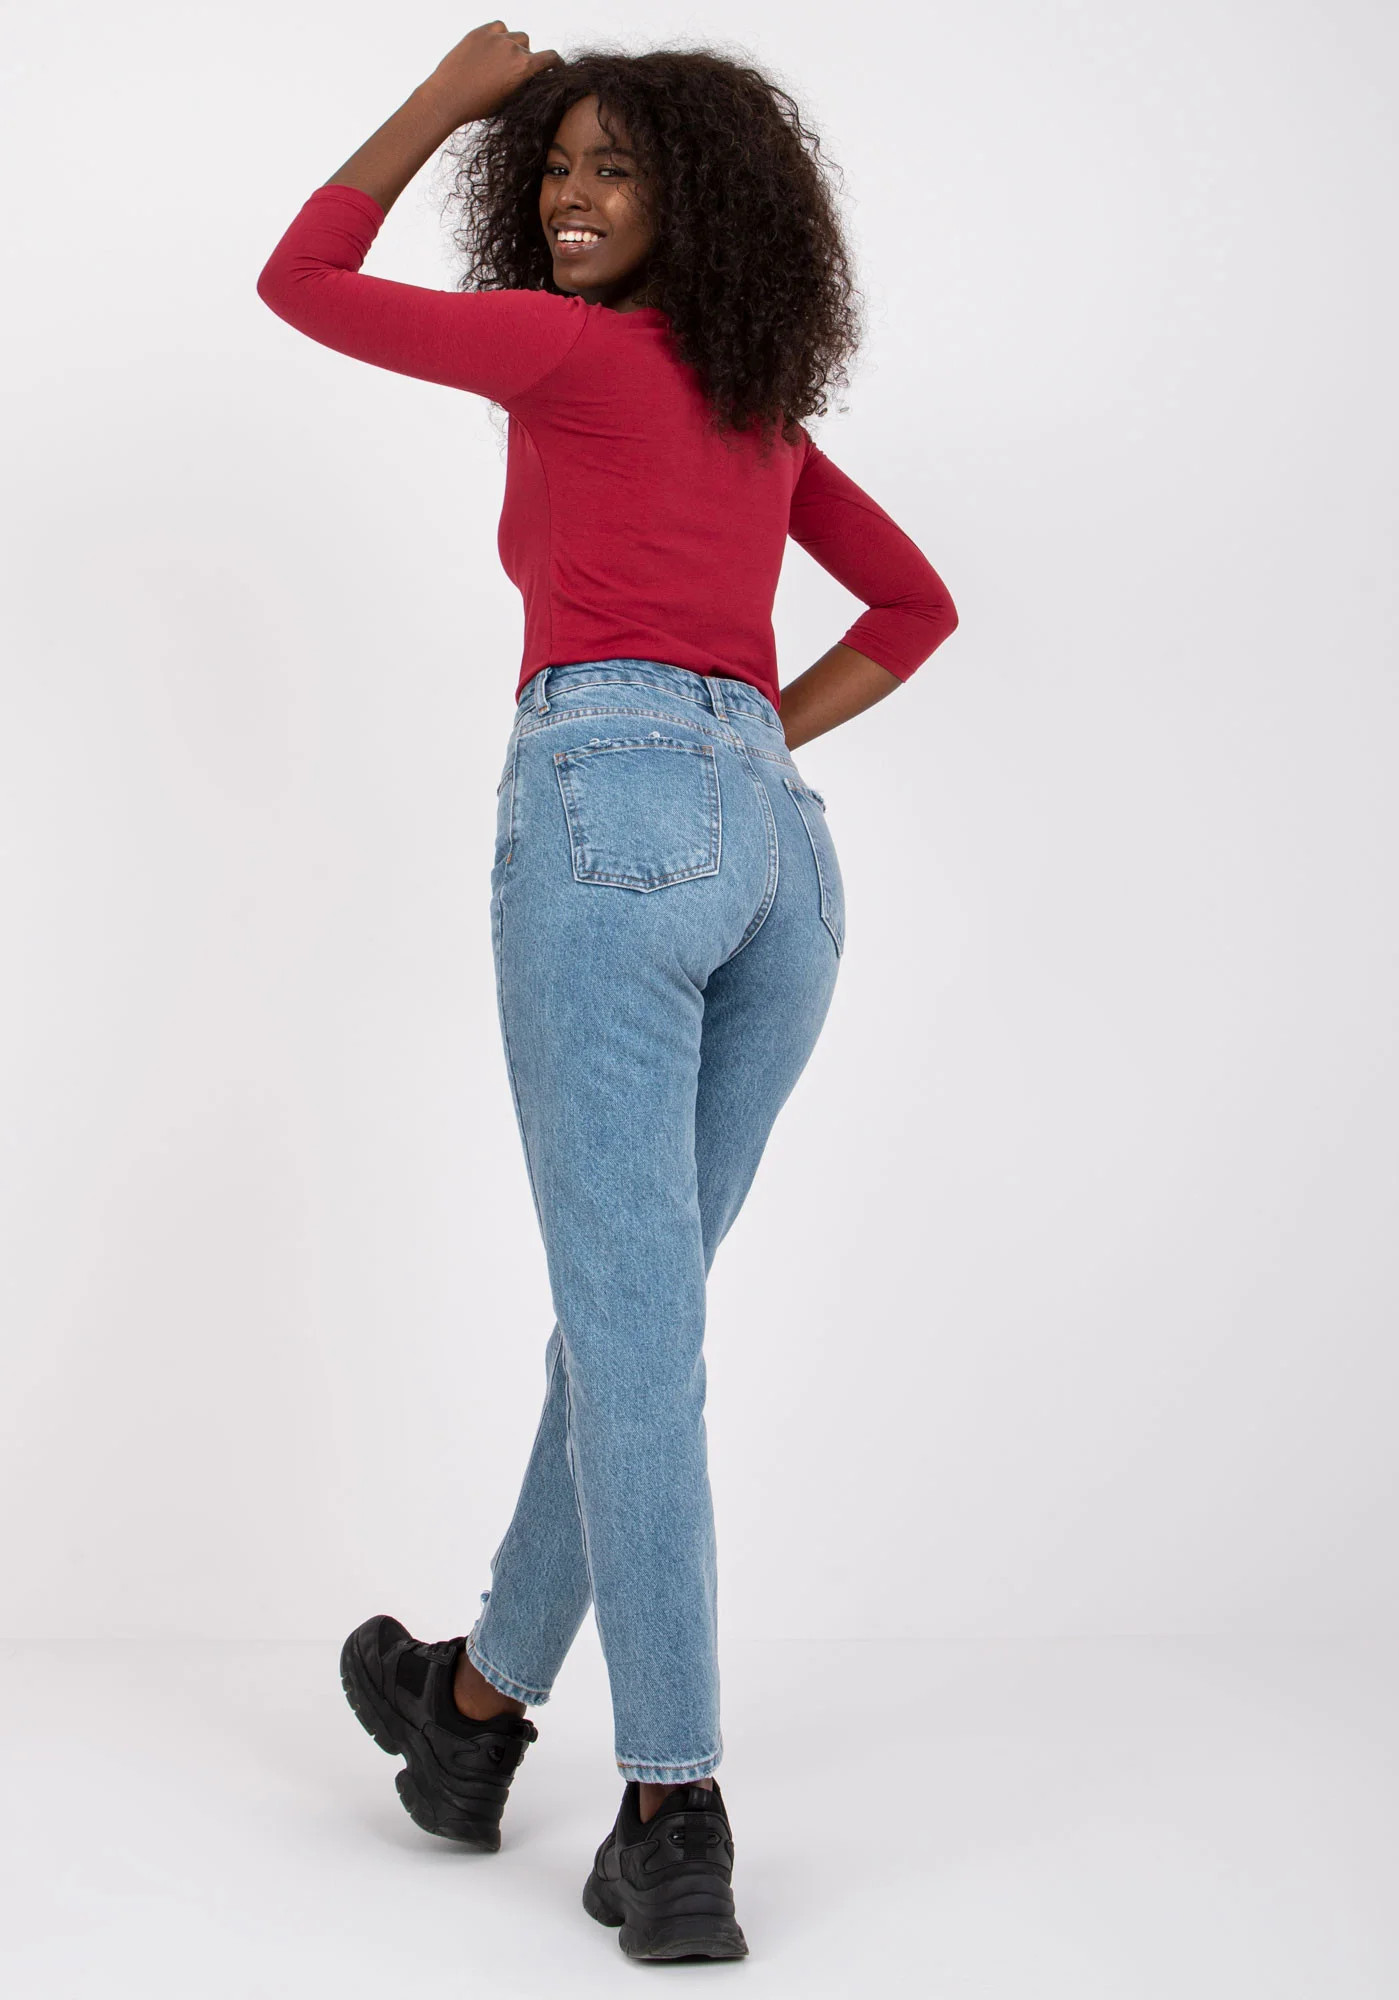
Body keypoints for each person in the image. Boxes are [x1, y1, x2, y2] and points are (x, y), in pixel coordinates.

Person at [256, 21, 958, 1963]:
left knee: (636, 1338)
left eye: (611, 169)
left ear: (694, 206)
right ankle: (474, 1710)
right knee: (630, 1327)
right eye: (552, 162)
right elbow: (914, 610)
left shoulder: (567, 354)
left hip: (611, 819)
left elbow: (300, 281)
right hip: (781, 861)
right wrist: (749, 738)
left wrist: (449, 99)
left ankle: (673, 1809)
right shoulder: (761, 413)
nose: (569, 195)